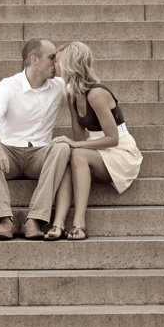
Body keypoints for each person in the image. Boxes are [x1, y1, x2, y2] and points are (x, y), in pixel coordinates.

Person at [44, 42, 143, 240]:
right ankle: (58, 223)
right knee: (66, 153)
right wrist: (72, 145)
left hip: (121, 153)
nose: (54, 64)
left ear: (71, 63)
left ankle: (79, 224)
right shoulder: (72, 93)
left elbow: (113, 139)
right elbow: (80, 137)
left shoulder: (97, 93)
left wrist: (76, 145)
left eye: (58, 61)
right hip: (97, 152)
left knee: (76, 151)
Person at [0, 39, 72, 240]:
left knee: (63, 148)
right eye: (52, 58)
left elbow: (84, 94)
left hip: (39, 155)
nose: (57, 63)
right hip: (8, 157)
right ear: (34, 59)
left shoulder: (59, 86)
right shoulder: (9, 85)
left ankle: (35, 219)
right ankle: (4, 219)